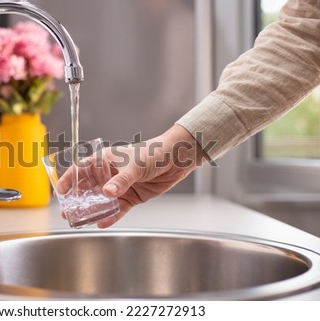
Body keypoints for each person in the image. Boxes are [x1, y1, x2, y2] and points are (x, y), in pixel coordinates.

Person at [96, 0, 320, 228]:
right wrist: (173, 149)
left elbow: (304, 35)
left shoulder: (180, 25)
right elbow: (306, 33)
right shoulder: (164, 29)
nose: (141, 6)